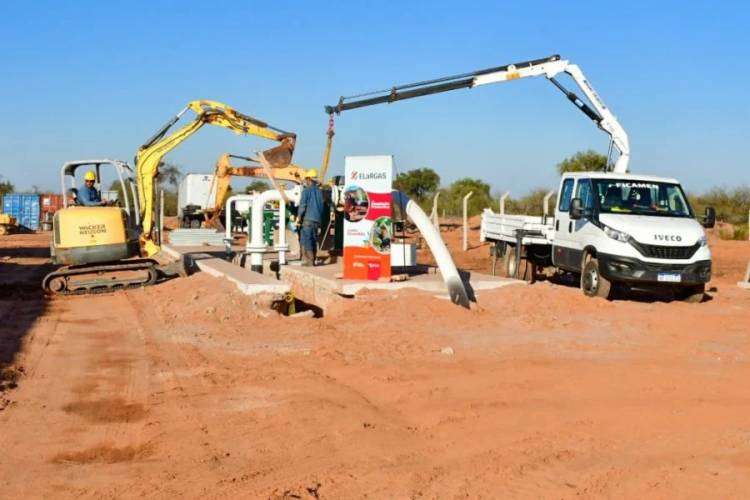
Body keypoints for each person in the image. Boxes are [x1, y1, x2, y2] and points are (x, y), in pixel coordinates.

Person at [297, 168, 324, 266]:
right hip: (317, 220)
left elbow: (303, 205)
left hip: (308, 219)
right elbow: (322, 206)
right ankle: (313, 259)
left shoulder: (306, 191)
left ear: (308, 179)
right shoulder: (320, 191)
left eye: (306, 179)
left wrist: (299, 216)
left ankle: (310, 261)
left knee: (307, 239)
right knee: (314, 239)